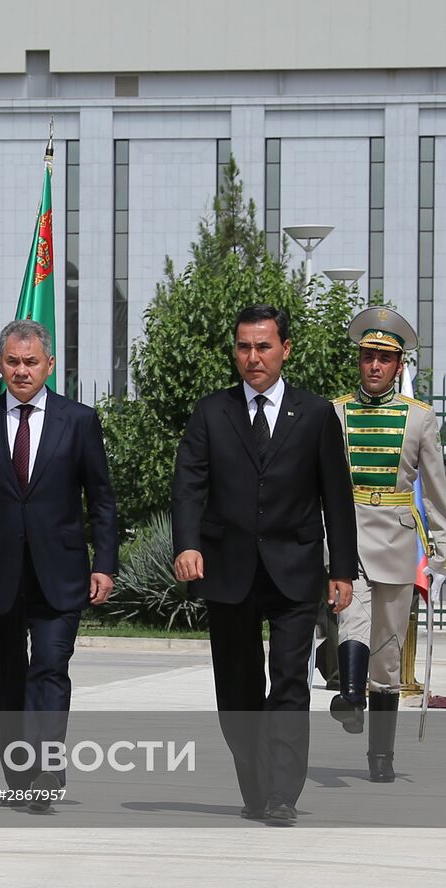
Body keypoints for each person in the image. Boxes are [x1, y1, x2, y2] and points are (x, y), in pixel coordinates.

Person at [171, 304, 356, 825]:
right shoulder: (212, 412)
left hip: (294, 570)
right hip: (227, 570)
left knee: (290, 682)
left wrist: (341, 570)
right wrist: (188, 544)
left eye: (263, 346)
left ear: (285, 349)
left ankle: (282, 795)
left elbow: (336, 498)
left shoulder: (316, 413)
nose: (253, 357)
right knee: (237, 689)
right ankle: (254, 787)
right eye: (244, 347)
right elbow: (188, 485)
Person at [0, 319, 117, 812]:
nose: (22, 371)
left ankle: (47, 763)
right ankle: (20, 774)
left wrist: (103, 563)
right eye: (13, 362)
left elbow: (101, 499)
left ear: (50, 365)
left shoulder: (78, 421)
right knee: (6, 675)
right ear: (1, 364)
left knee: (50, 665)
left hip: (60, 572)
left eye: (31, 362)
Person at [329, 306, 446, 780]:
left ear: (398, 364)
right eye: (367, 356)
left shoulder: (420, 419)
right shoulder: (336, 412)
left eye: (384, 358)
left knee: (386, 655)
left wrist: (444, 551)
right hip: (349, 534)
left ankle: (380, 756)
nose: (375, 365)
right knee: (352, 618)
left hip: (399, 539)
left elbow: (437, 488)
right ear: (359, 360)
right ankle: (347, 694)